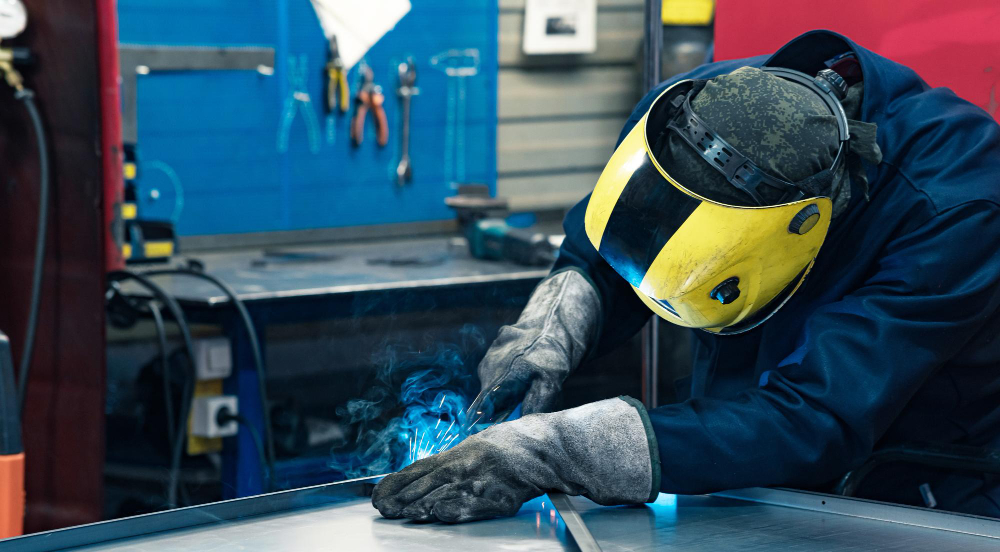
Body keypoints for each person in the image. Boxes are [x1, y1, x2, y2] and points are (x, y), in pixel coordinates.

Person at [372, 29, 1000, 523]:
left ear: (807, 225)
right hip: (745, 473)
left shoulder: (958, 208)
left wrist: (561, 449)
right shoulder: (682, 111)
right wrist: (548, 336)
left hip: (920, 503)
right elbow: (609, 248)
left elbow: (817, 414)